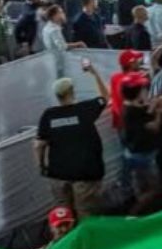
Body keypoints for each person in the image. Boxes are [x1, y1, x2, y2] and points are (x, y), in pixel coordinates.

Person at [35, 59, 108, 218]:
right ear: (72, 91)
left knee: (63, 217)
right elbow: (105, 97)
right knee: (87, 215)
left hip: (58, 175)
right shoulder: (84, 110)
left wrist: (41, 165)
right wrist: (94, 74)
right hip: (85, 175)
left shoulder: (48, 115)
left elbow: (39, 145)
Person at [118, 76, 162, 214]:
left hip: (132, 153)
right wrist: (159, 112)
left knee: (141, 187)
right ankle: (135, 213)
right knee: (154, 189)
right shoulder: (133, 112)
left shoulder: (129, 106)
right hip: (144, 155)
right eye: (143, 89)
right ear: (137, 92)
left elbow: (144, 113)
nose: (146, 91)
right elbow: (154, 126)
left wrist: (152, 106)